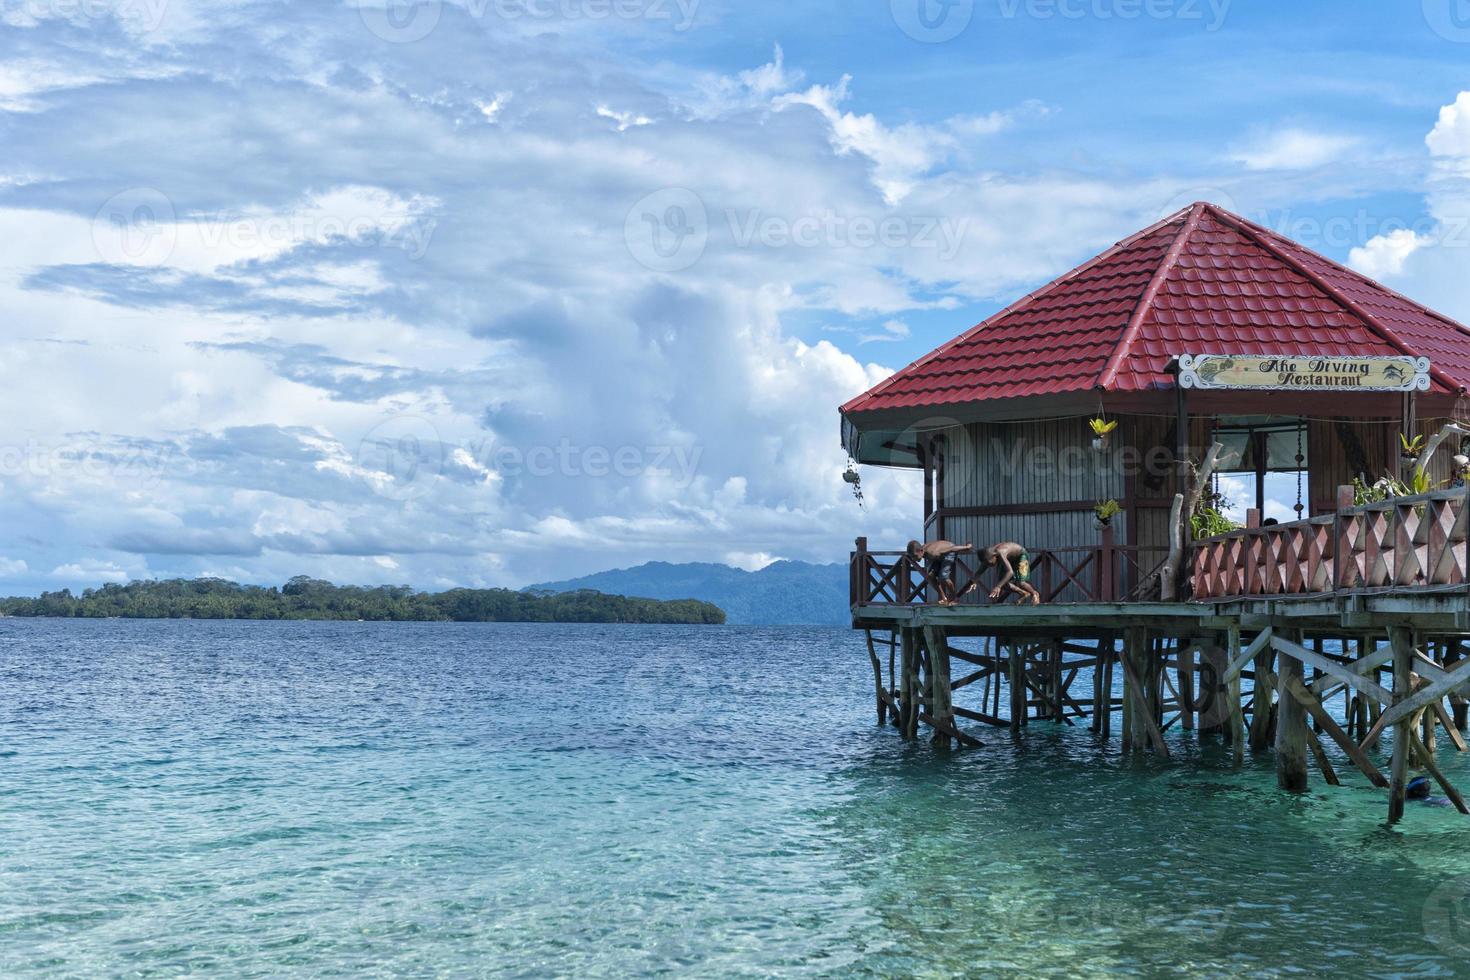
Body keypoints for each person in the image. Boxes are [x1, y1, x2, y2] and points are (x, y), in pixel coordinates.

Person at [905, 539, 974, 605]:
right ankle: (943, 598)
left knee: (943, 577)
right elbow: (912, 552)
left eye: (915, 556)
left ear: (921, 551)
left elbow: (952, 548)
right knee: (930, 576)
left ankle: (955, 597)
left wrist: (967, 547)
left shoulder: (932, 552)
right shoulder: (922, 551)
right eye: (912, 557)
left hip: (948, 552)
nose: (914, 559)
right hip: (938, 557)